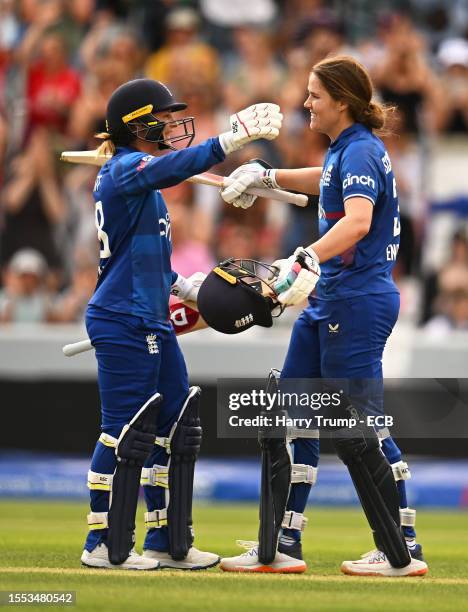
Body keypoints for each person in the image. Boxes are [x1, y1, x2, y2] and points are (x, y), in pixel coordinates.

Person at [218, 56, 428, 577]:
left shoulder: (357, 151)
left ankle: (402, 546)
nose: (305, 102)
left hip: (355, 301)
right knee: (294, 415)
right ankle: (283, 540)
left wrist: (308, 253)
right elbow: (325, 179)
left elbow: (357, 222)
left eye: (314, 94)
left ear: (341, 99)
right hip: (332, 300)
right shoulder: (347, 151)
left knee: (363, 426)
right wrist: (268, 176)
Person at [80, 77, 282, 570]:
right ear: (137, 124)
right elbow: (171, 168)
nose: (171, 125)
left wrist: (185, 286)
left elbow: (146, 258)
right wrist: (228, 140)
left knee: (177, 427)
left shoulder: (142, 183)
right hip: (121, 317)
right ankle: (102, 543)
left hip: (149, 315)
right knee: (122, 432)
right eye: (163, 118)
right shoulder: (126, 170)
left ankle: (166, 540)